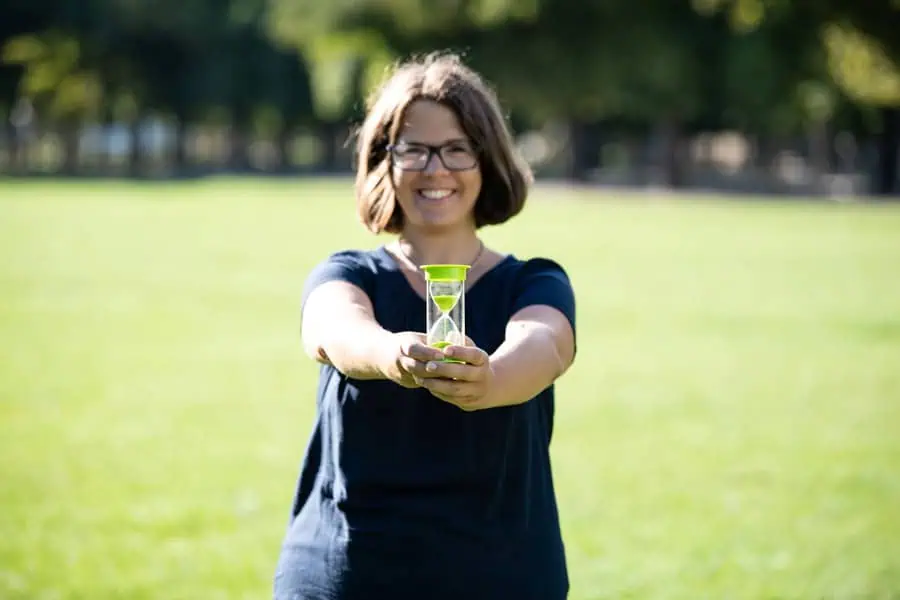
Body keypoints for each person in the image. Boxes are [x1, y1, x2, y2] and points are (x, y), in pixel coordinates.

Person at [273, 51, 577, 600]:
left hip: (500, 577)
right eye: (413, 149)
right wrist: (391, 354)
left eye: (457, 149)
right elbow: (333, 330)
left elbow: (546, 344)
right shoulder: (347, 274)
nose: (436, 169)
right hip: (349, 575)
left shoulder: (535, 282)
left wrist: (489, 381)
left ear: (487, 162)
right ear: (384, 162)